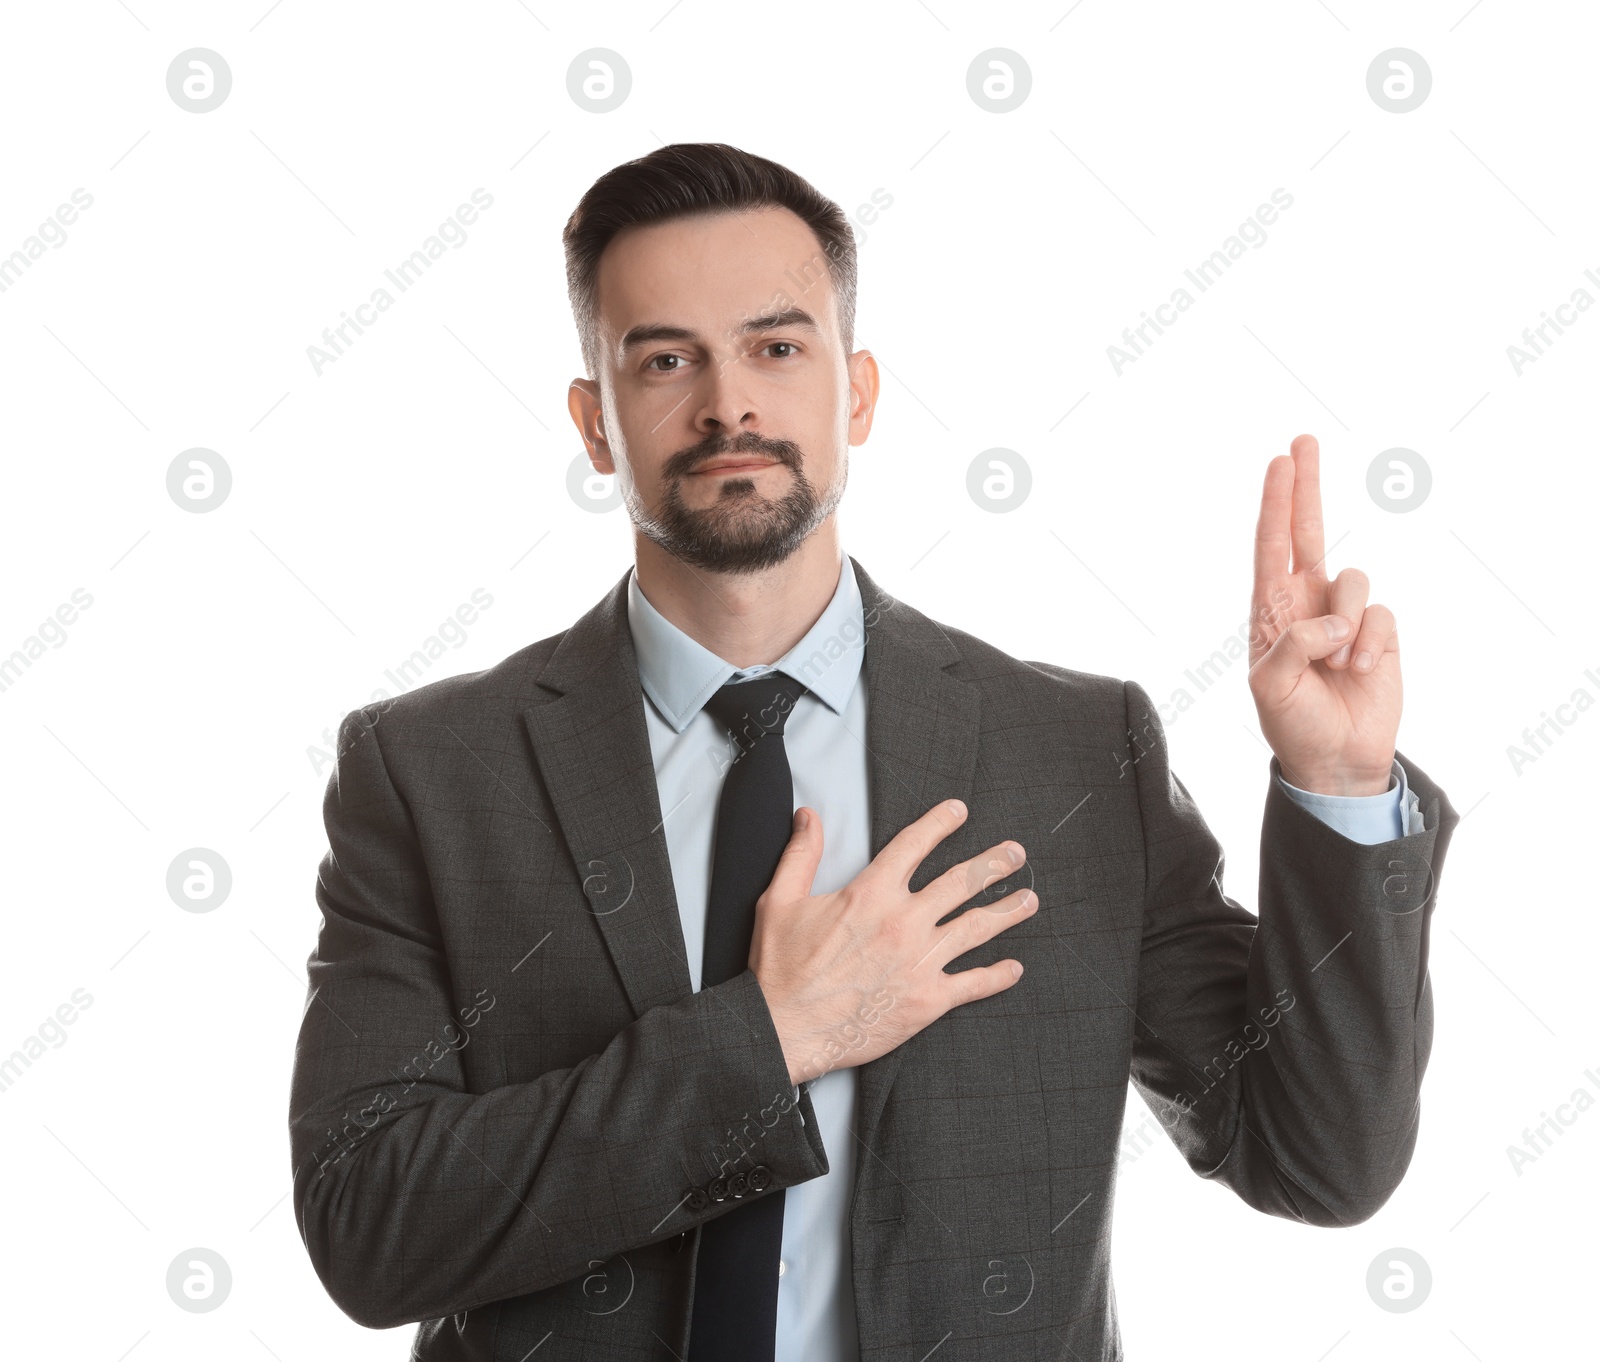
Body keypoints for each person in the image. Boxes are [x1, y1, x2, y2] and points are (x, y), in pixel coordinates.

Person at [289, 142, 1459, 1361]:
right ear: (595, 421)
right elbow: (367, 1222)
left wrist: (1336, 784)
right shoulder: (430, 773)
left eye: (776, 348)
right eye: (666, 359)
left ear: (856, 395)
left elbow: (1320, 1158)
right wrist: (776, 1036)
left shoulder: (1068, 756)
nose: (726, 404)